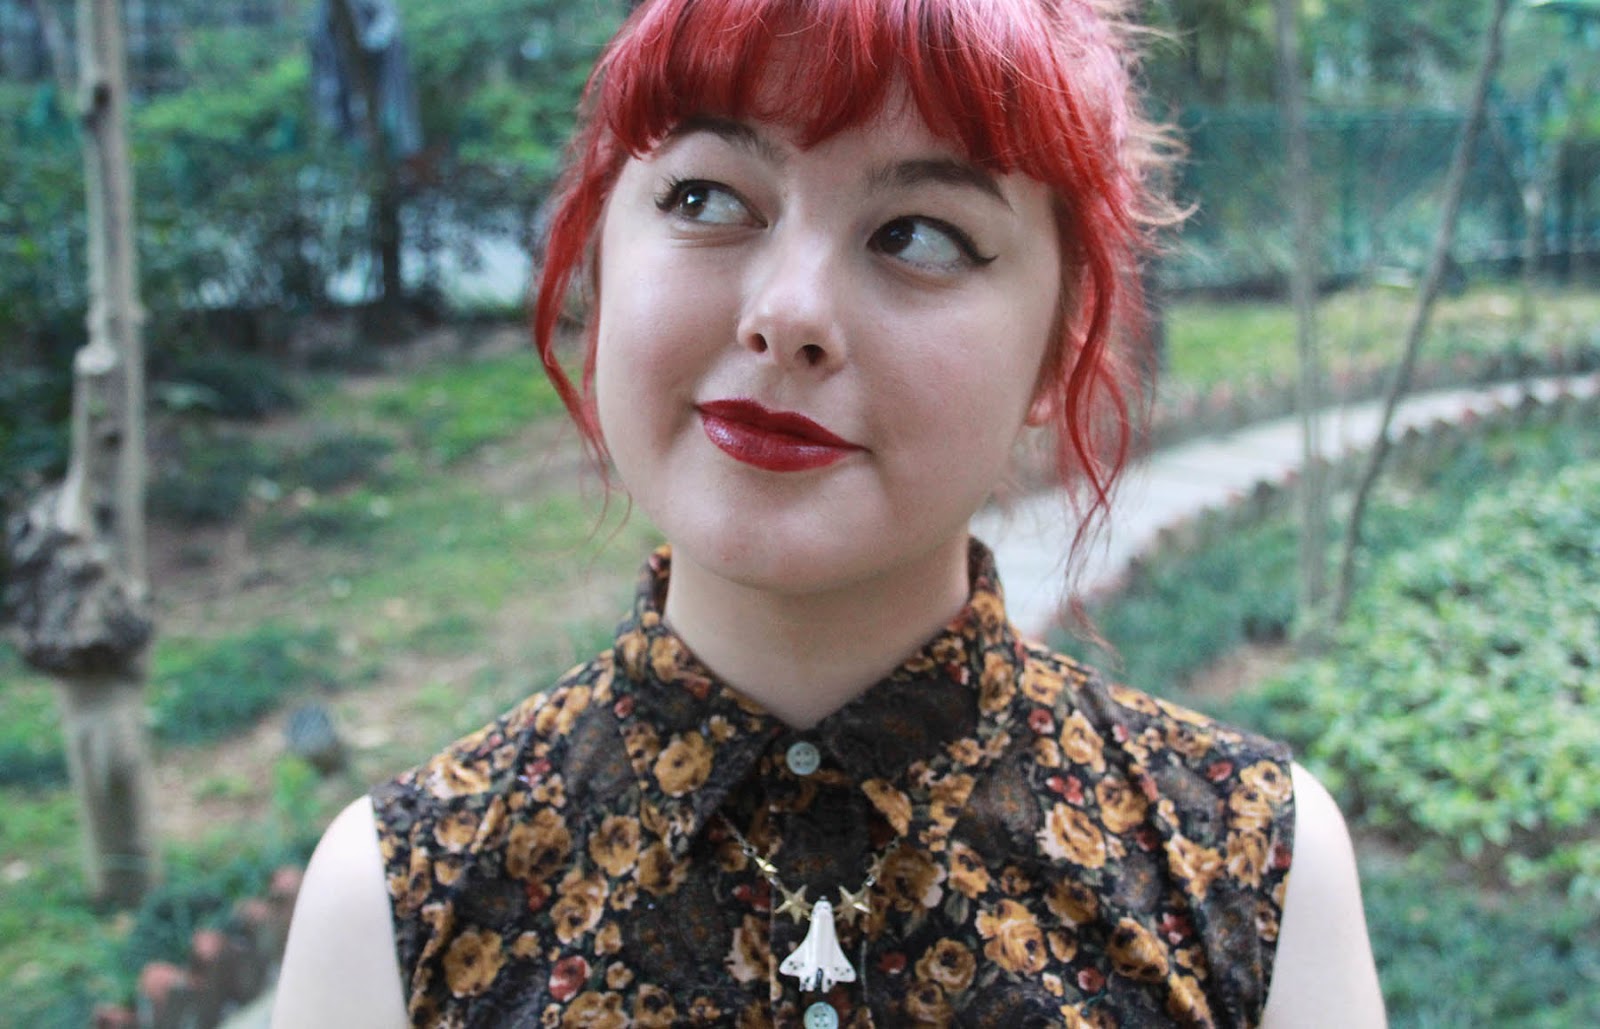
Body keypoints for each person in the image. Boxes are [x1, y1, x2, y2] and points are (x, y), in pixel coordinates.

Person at [273, 0, 1385, 1025]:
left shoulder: (1251, 868)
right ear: (600, 255)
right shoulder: (393, 906)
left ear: (1061, 344)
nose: (788, 312)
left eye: (919, 234)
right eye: (706, 199)